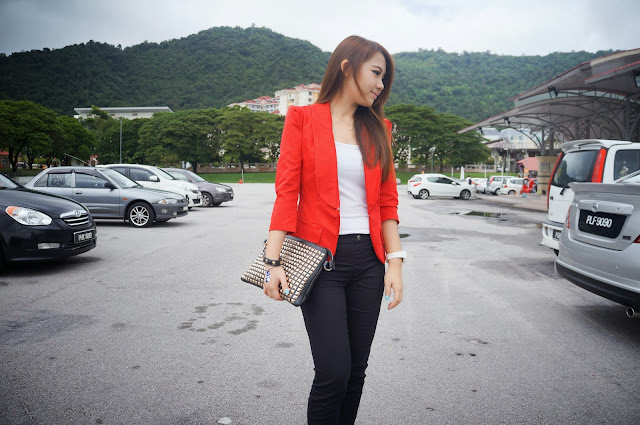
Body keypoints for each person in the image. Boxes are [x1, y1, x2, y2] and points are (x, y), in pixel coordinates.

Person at [262, 35, 405, 425]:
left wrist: (395, 262)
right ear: (346, 67)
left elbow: (388, 202)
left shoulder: (379, 128)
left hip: (369, 263)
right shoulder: (302, 119)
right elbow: (286, 192)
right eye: (375, 73)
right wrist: (272, 263)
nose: (380, 85)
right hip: (320, 261)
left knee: (356, 373)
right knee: (333, 372)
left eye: (384, 78)